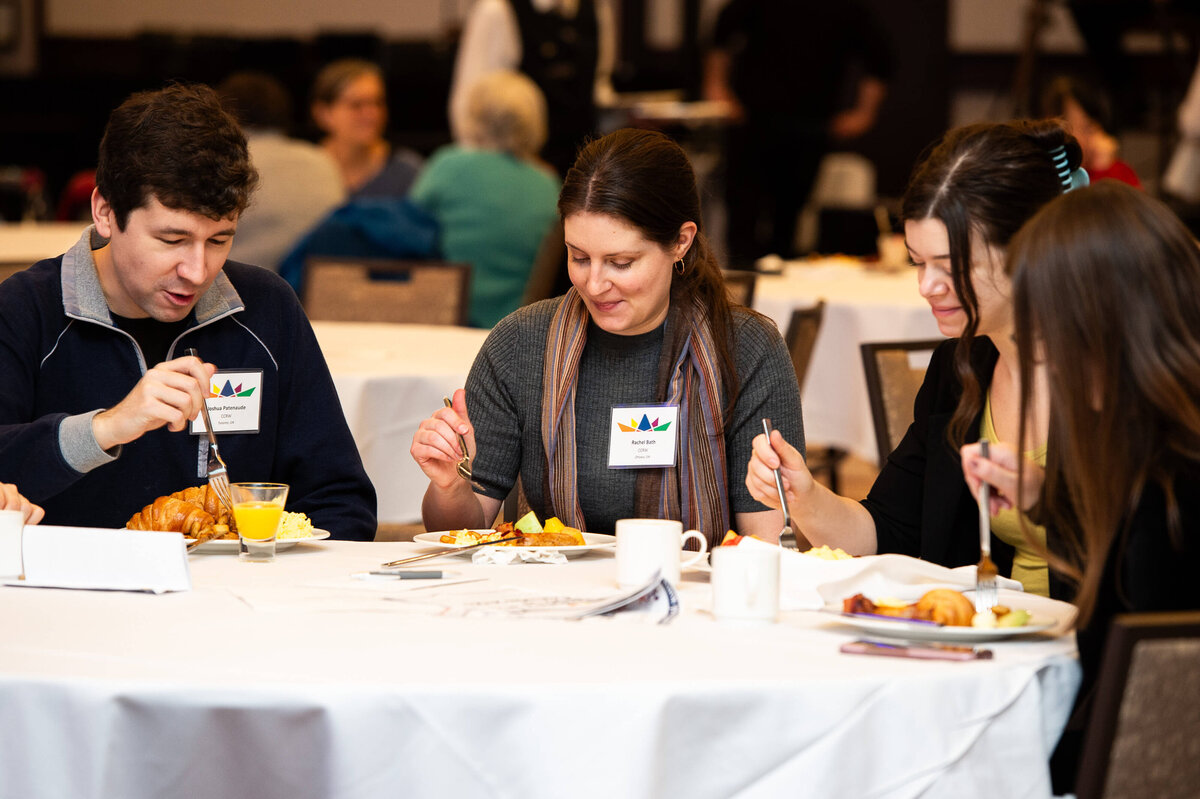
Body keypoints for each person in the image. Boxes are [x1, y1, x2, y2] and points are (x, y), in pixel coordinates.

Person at [0, 84, 377, 539]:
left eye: (219, 240)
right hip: (73, 598)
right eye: (172, 240)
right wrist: (108, 427)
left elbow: (341, 501)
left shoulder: (265, 307)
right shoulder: (24, 310)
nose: (198, 271)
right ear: (105, 212)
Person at [410, 128, 803, 546]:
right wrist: (449, 486)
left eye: (621, 262)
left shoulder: (746, 348)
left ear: (681, 242)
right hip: (551, 598)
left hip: (702, 597)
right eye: (578, 257)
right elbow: (459, 533)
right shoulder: (522, 343)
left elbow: (769, 544)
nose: (594, 285)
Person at [745, 120, 1085, 595]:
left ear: (1028, 249)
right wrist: (805, 498)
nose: (927, 287)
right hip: (985, 650)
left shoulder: (1115, 372)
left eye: (950, 266)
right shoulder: (958, 371)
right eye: (918, 263)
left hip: (1094, 656)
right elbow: (887, 532)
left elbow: (1160, 548)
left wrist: (1043, 500)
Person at [960, 180, 1200, 792]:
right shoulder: (1151, 445)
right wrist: (1049, 502)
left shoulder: (1170, 484)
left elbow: (1143, 710)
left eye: (1044, 331)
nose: (1039, 358)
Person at [704, 0, 893, 265]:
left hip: (811, 125)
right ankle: (737, 297)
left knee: (789, 217)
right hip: (750, 121)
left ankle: (775, 296)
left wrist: (864, 113)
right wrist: (716, 87)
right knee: (742, 216)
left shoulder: (848, 8)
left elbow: (880, 58)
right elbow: (721, 35)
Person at [410, 70, 560, 328]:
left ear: (473, 116)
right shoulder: (549, 186)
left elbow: (405, 230)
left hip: (442, 323)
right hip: (518, 330)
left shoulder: (447, 165)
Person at [448, 0, 616, 178]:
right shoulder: (498, 9)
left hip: (582, 173)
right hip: (519, 175)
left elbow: (600, 88)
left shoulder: (596, 8)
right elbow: (471, 111)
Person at [218, 71, 346, 272]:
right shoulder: (322, 159)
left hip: (242, 291)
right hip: (314, 292)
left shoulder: (227, 161)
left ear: (224, 114)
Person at [311, 59, 423, 199]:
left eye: (378, 103)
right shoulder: (305, 170)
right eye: (356, 105)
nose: (372, 114)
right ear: (323, 114)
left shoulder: (408, 172)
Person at [1040, 75, 1142, 188]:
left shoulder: (1117, 170)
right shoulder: (1042, 174)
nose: (1094, 137)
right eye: (1085, 128)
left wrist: (1105, 171)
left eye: (1094, 128)